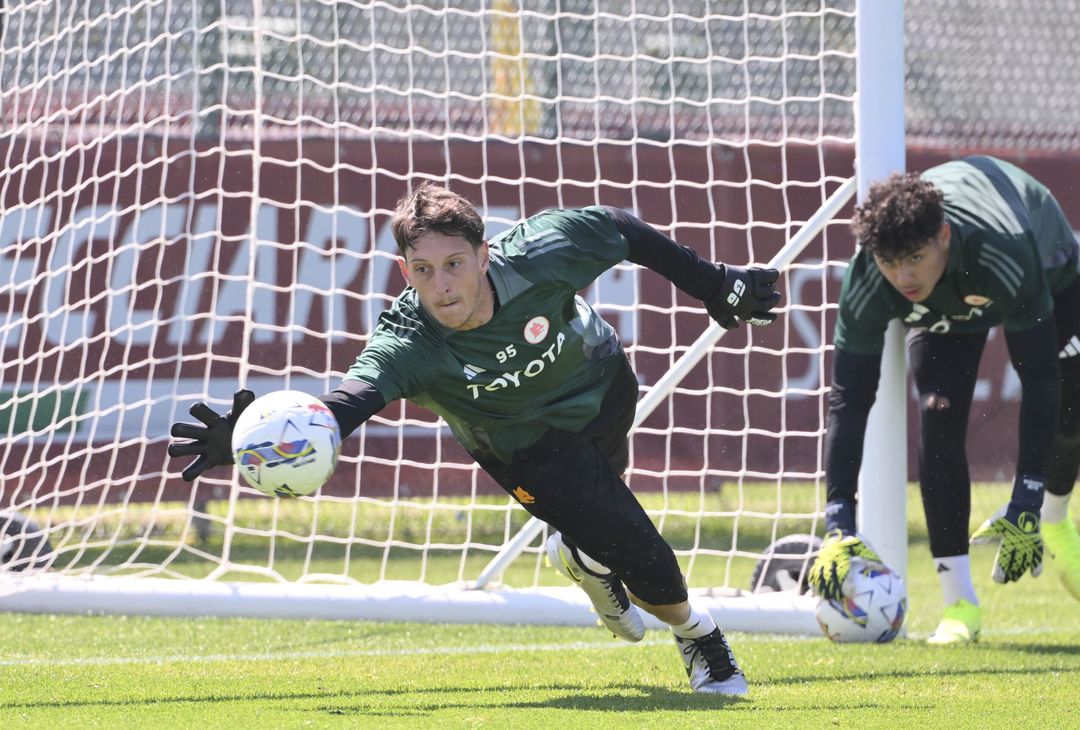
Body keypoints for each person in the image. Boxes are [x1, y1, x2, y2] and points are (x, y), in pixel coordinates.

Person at [169, 183, 781, 695]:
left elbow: (624, 229)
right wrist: (261, 442)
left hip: (603, 385)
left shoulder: (544, 250)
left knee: (604, 525)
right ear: (406, 272)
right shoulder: (409, 341)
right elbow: (352, 398)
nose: (442, 286)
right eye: (424, 271)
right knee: (639, 546)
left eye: (454, 265)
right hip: (528, 448)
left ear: (484, 256)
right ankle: (700, 638)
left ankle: (583, 554)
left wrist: (712, 282)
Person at [808, 155, 1080, 644]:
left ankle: (1055, 523)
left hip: (1050, 262)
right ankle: (959, 604)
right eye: (890, 262)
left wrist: (1027, 500)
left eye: (915, 257)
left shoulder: (1004, 249)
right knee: (939, 415)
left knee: (1070, 401)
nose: (904, 277)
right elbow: (849, 400)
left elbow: (1038, 379)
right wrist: (838, 523)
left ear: (944, 237)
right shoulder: (870, 279)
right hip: (953, 301)